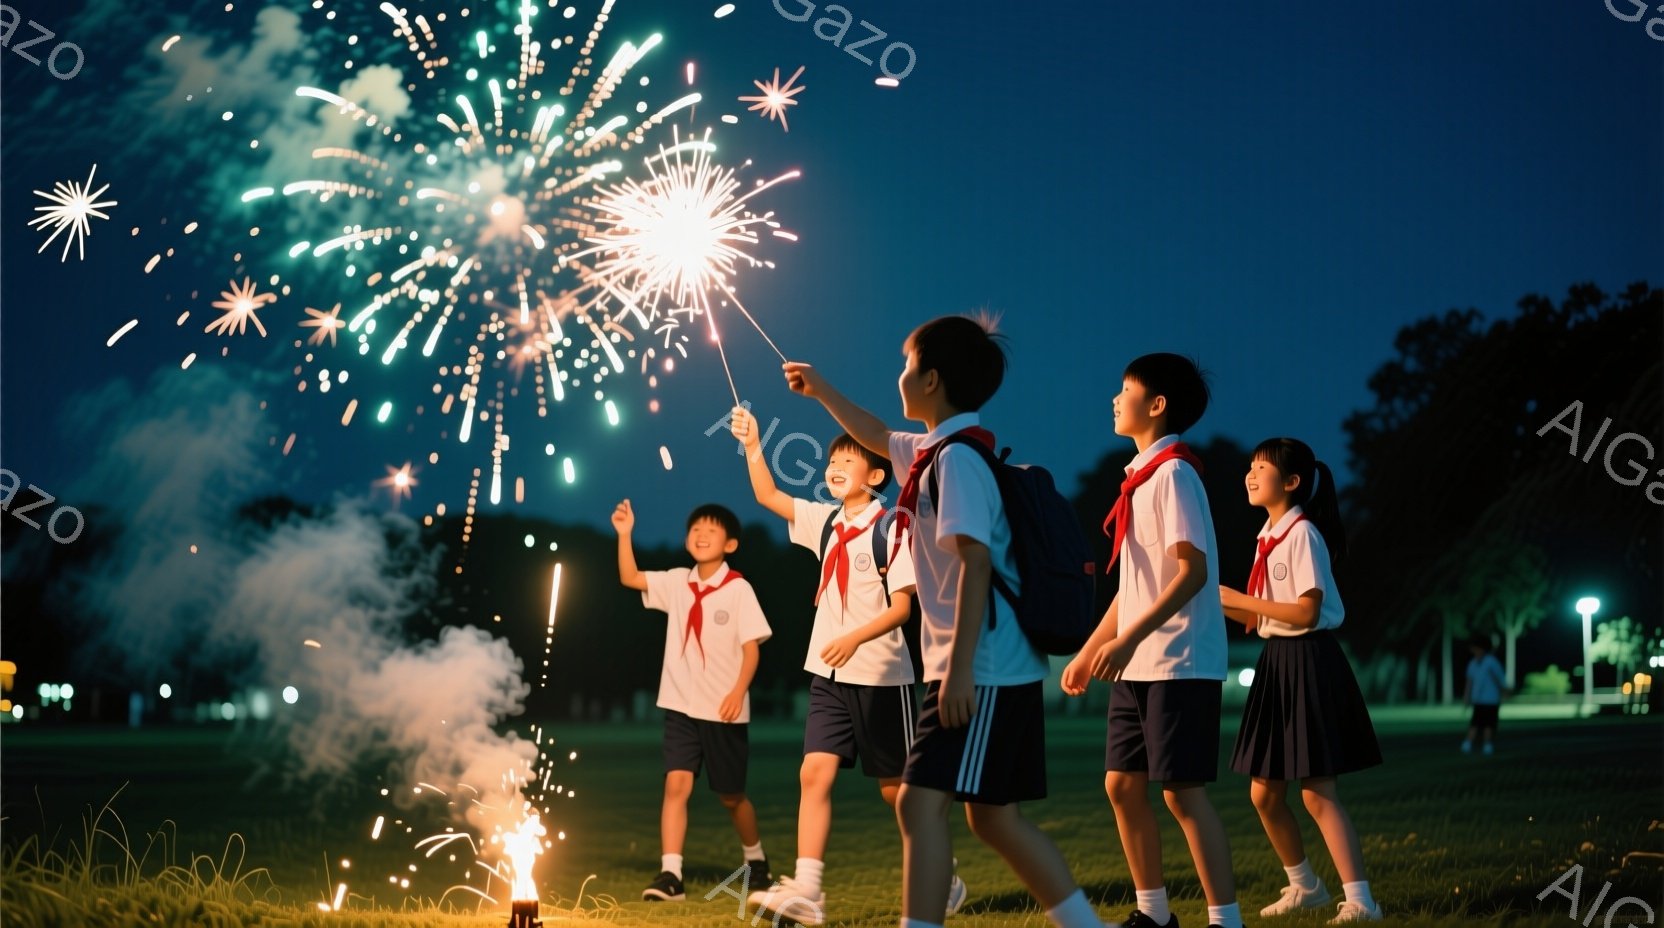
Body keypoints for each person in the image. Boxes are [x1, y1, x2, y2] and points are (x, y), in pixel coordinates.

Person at [785, 314, 1104, 928]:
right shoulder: (935, 451)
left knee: (920, 801)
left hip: (979, 668)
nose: (899, 375)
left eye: (907, 365)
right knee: (990, 816)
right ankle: (1083, 925)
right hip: (978, 666)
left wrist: (955, 674)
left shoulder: (955, 463)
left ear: (931, 380)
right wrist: (821, 388)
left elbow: (974, 566)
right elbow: (876, 433)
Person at [729, 410, 967, 924]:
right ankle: (809, 890)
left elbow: (903, 607)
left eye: (848, 460)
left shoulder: (892, 526)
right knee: (813, 773)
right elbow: (769, 497)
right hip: (828, 677)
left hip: (883, 677)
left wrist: (853, 638)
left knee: (897, 794)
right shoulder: (826, 520)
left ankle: (943, 876)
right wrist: (753, 445)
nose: (835, 467)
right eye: (833, 459)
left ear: (876, 476)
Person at [1062, 353, 1242, 928]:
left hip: (1179, 661)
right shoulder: (1140, 478)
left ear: (1157, 404)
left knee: (1182, 793)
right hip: (1140, 663)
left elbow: (1191, 572)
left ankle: (1225, 919)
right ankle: (1155, 915)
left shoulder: (1174, 476)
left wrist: (1126, 642)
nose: (1114, 400)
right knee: (1121, 784)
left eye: (1125, 389)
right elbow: (1133, 588)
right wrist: (1092, 649)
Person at [1218, 438, 1384, 924]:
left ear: (1291, 482)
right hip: (1277, 661)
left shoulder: (1302, 534)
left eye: (1261, 467)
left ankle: (1361, 902)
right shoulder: (1266, 535)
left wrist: (1237, 600)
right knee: (1263, 793)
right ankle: (1305, 885)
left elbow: (1307, 610)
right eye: (1249, 466)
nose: (1250, 474)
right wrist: (1204, 594)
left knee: (1316, 791)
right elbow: (1257, 608)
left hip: (1309, 660)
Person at [612, 499, 773, 902]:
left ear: (731, 544)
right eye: (696, 529)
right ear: (687, 540)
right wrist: (625, 534)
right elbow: (630, 577)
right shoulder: (677, 581)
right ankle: (671, 876)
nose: (701, 535)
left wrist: (737, 692)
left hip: (723, 710)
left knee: (732, 796)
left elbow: (752, 649)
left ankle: (756, 862)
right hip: (680, 707)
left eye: (712, 530)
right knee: (676, 786)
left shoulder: (739, 589)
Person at [1463, 638, 1507, 756]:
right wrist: (1467, 697)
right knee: (1475, 723)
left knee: (1489, 724)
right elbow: (1469, 682)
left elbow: (1500, 680)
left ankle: (1487, 745)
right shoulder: (1472, 663)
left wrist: (1503, 693)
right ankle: (1468, 743)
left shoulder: (1492, 662)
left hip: (1491, 699)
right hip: (1478, 699)